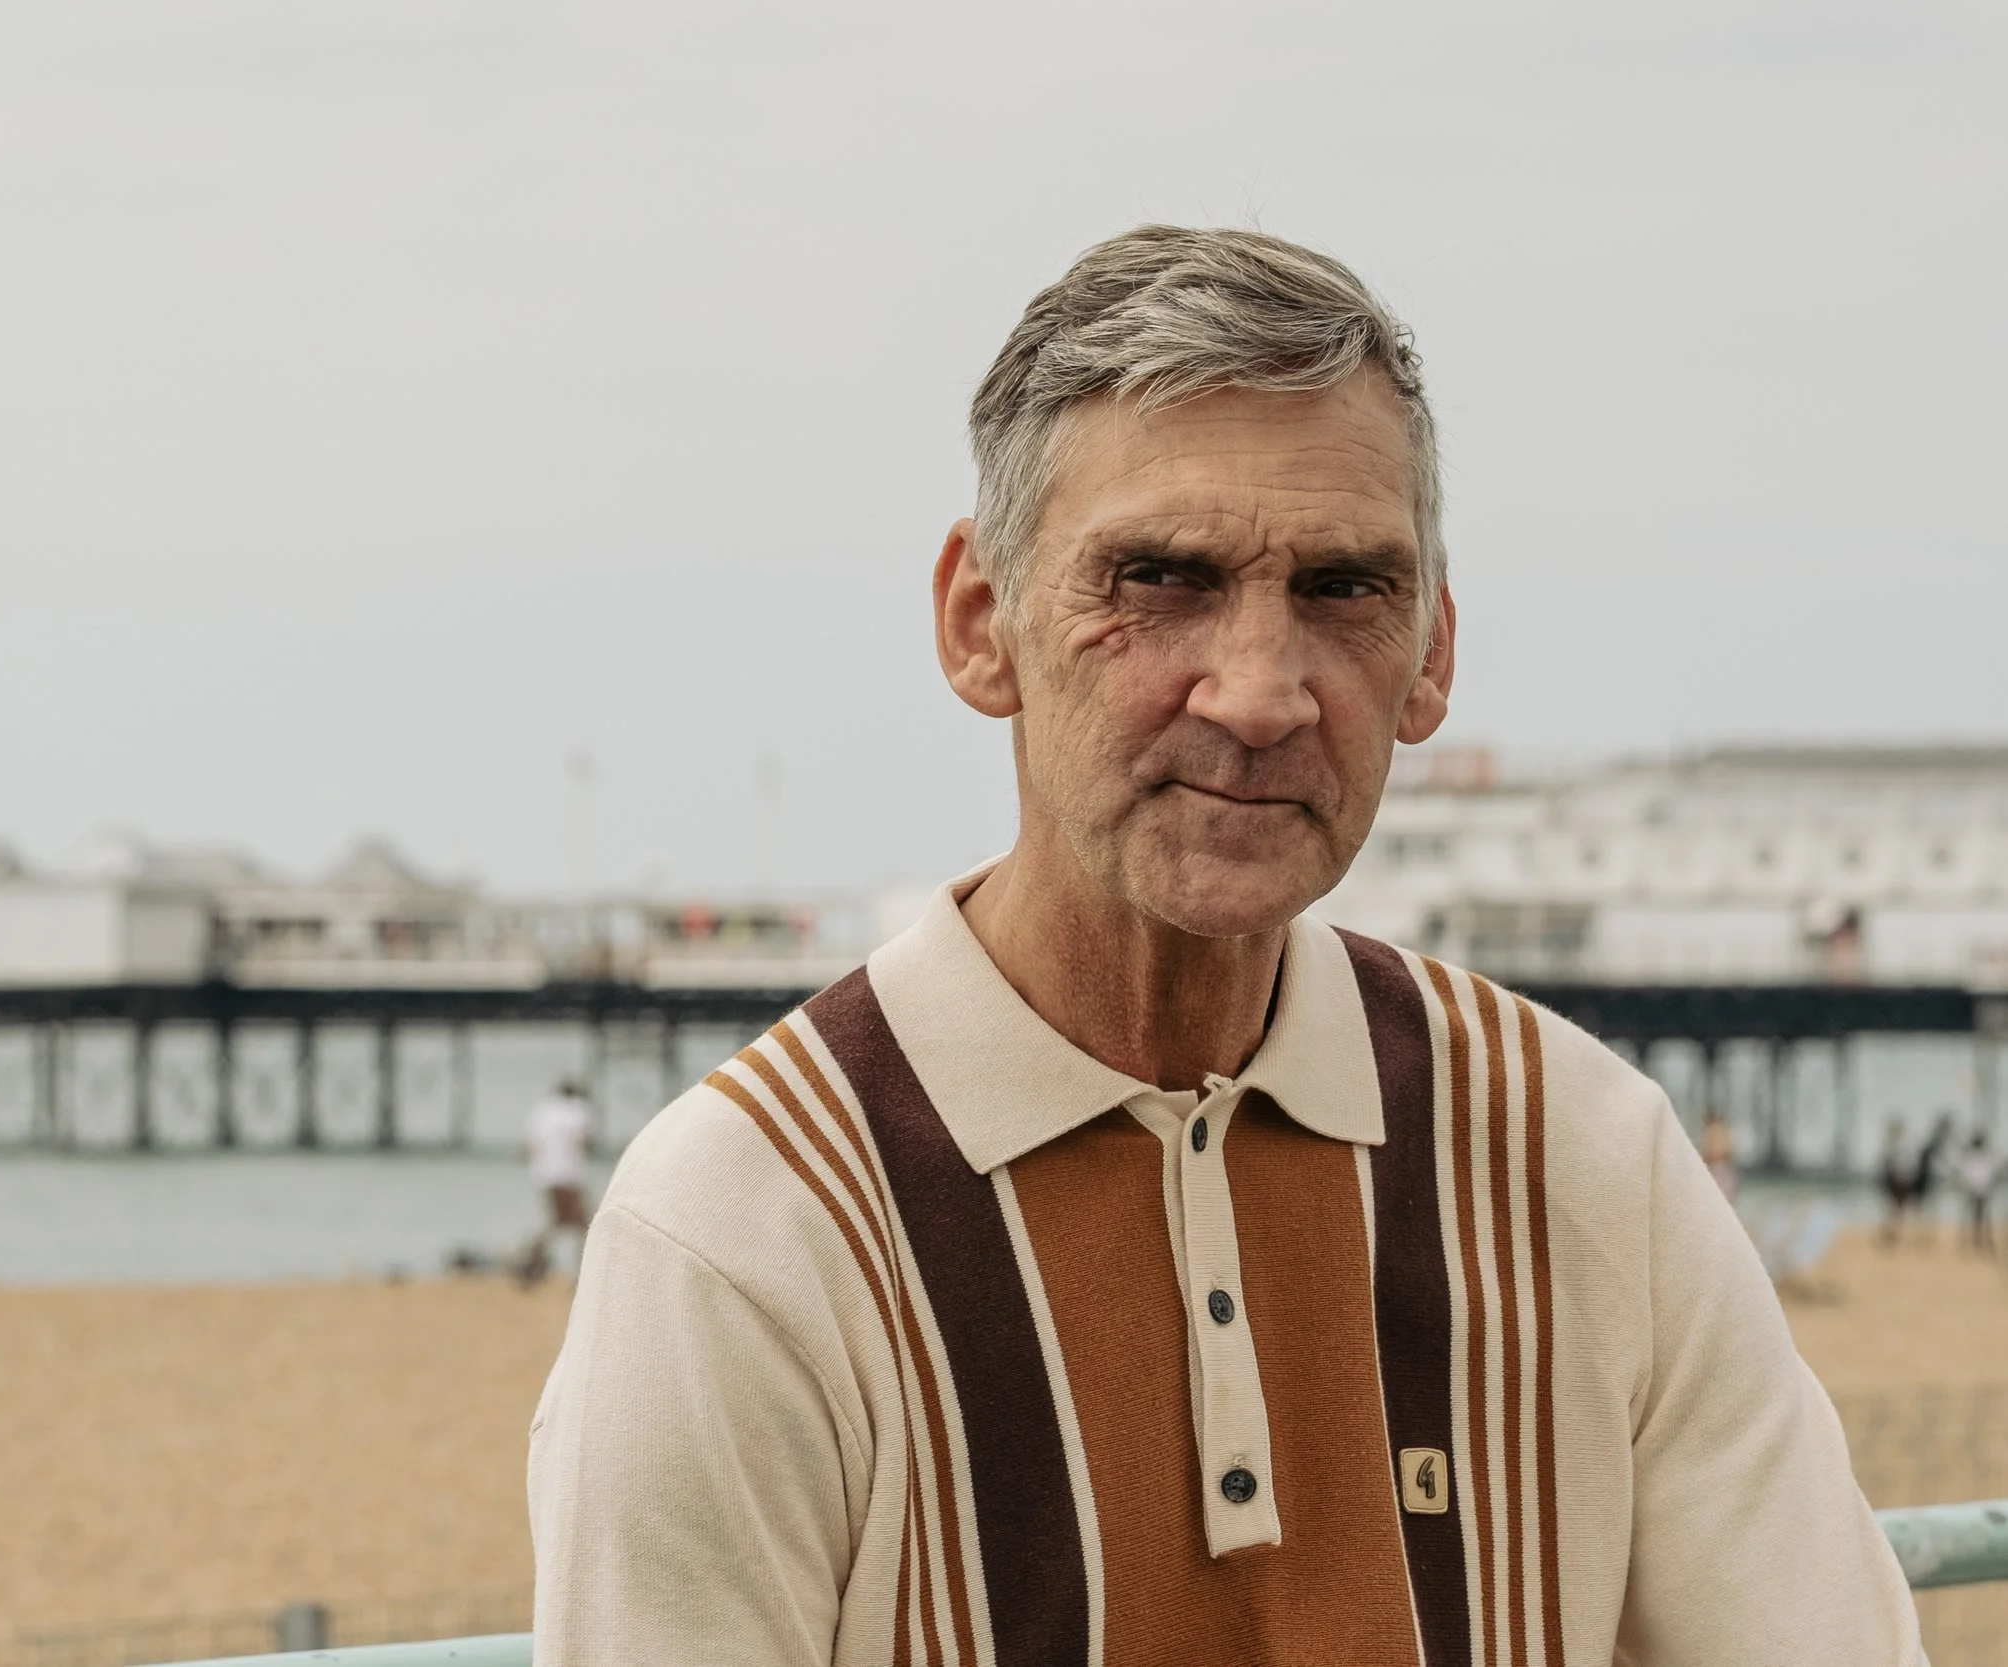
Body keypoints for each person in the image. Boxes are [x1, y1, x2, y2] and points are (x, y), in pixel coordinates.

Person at [529, 226, 1920, 1664]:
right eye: (1160, 578)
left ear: (1430, 654)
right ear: (978, 620)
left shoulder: (1579, 1158)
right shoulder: (755, 1225)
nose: (1260, 692)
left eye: (1343, 589)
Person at [515, 1078, 595, 1287]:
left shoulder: (542, 1110)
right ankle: (583, 1277)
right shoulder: (578, 1109)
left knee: (559, 1222)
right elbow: (584, 1142)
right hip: (569, 1175)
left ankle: (530, 1264)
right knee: (586, 1225)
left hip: (545, 1175)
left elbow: (526, 1147)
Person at [1960, 1129, 2000, 1256]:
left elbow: (1990, 1174)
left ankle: (1985, 1242)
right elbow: (1967, 1175)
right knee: (1971, 1218)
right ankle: (1968, 1243)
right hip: (1973, 1193)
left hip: (1982, 1193)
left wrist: (1983, 1189)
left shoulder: (1986, 1157)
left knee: (1984, 1219)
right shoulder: (1970, 1157)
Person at [1881, 1117, 1919, 1247]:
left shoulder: (1898, 1145)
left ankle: (1894, 1233)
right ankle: (1892, 1233)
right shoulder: (1894, 1146)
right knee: (1896, 1209)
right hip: (1898, 1181)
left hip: (1901, 1181)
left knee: (1897, 1209)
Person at [1701, 1105, 1739, 1202]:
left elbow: (1714, 1152)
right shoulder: (1718, 1131)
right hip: (1718, 1166)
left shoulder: (1716, 1131)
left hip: (1718, 1166)